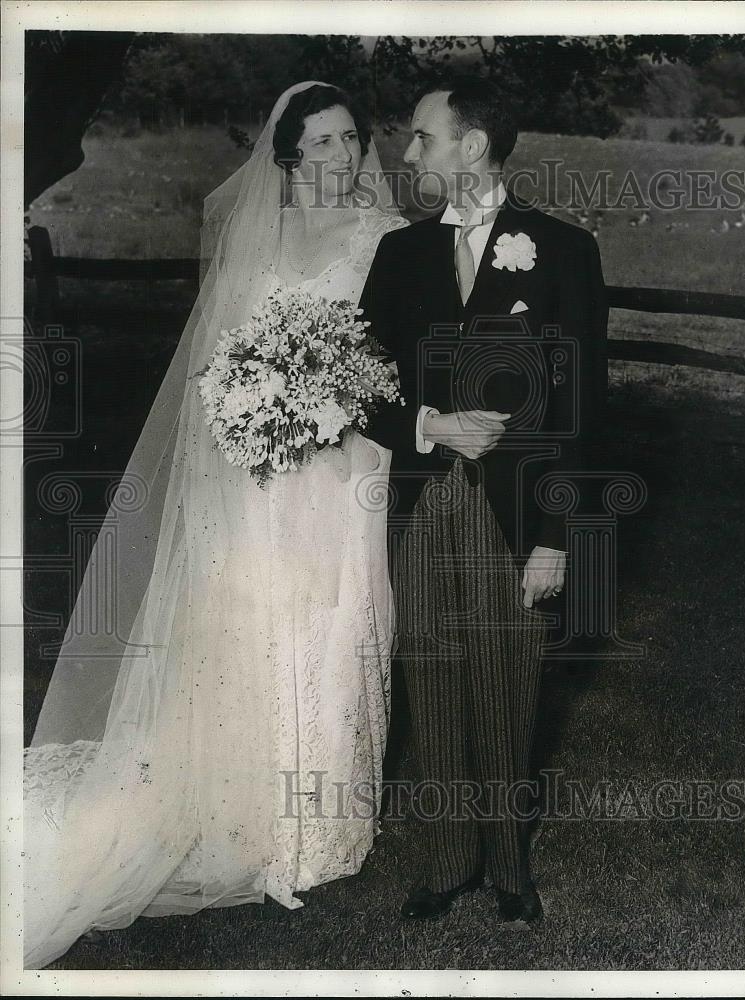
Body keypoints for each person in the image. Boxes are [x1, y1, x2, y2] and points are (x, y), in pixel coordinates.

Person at [23, 81, 408, 969]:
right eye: (320, 144)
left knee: (335, 627)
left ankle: (320, 829)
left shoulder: (385, 240)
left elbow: (390, 357)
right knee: (249, 634)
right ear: (287, 158)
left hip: (347, 474)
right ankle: (242, 812)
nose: (342, 156)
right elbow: (220, 361)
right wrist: (251, 414)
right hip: (258, 473)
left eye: (350, 138)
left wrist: (335, 405)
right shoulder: (254, 240)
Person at [360, 76, 608, 922]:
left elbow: (579, 410)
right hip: (423, 501)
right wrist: (429, 423)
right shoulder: (399, 255)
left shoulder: (563, 250)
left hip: (517, 512)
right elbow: (358, 389)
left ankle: (509, 864)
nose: (407, 154)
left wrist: (557, 539)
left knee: (507, 677)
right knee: (429, 671)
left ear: (471, 146)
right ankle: (446, 857)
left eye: (422, 138)